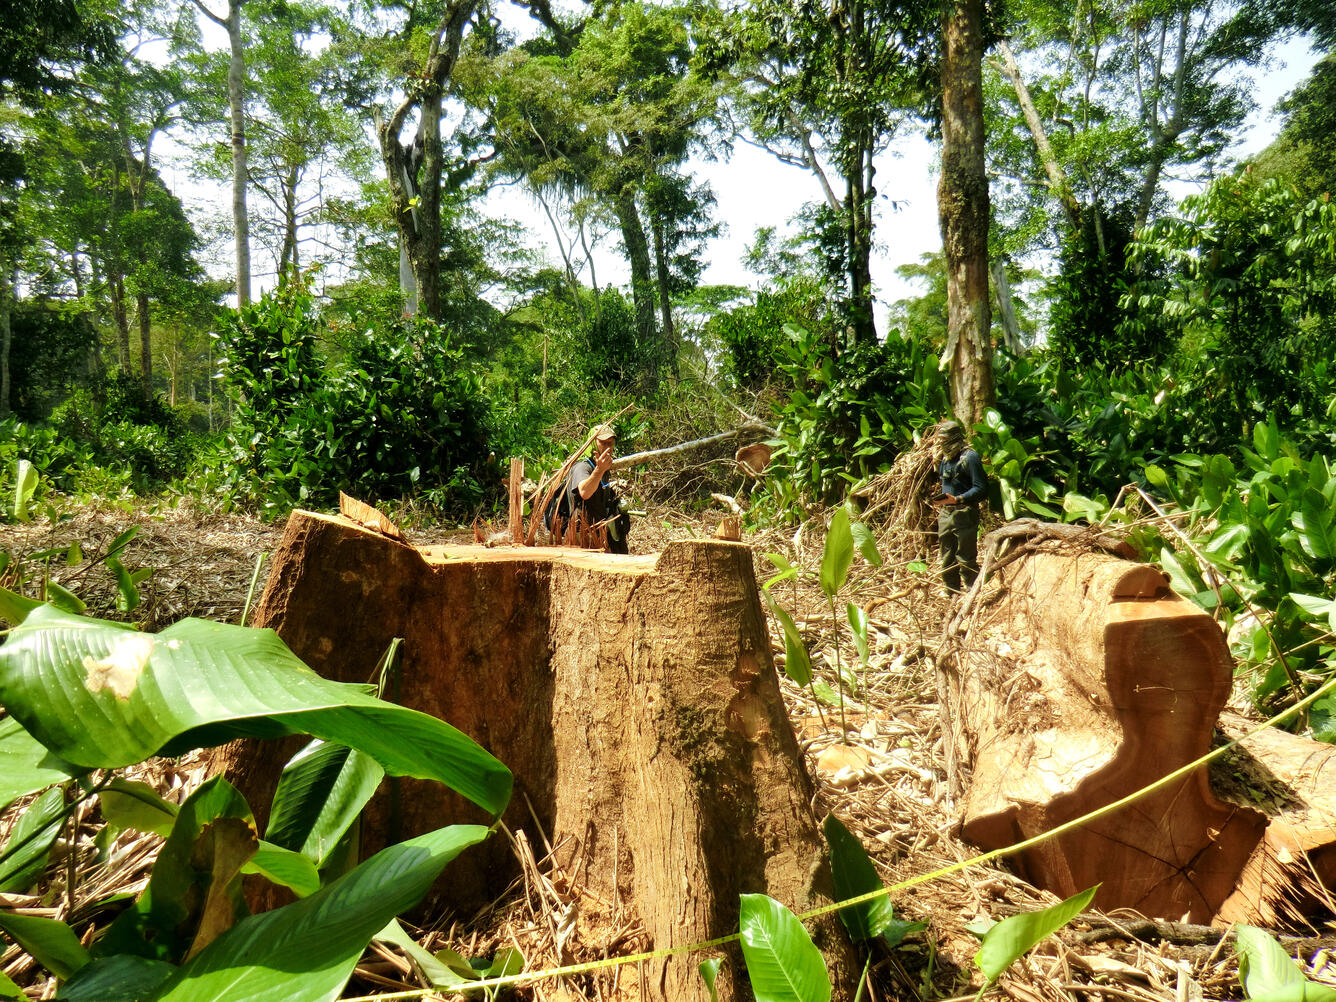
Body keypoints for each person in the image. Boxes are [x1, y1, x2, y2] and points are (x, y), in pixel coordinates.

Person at [931, 420, 987, 593]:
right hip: (946, 513)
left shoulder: (970, 457)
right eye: (940, 439)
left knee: (966, 557)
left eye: (944, 439)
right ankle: (951, 591)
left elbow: (981, 488)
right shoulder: (945, 458)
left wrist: (959, 499)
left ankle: (973, 592)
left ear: (954, 437)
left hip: (964, 513)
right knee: (947, 557)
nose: (941, 442)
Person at [558, 424, 631, 554]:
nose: (608, 448)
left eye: (610, 443)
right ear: (592, 443)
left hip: (598, 534)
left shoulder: (602, 466)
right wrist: (599, 470)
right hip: (583, 538)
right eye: (603, 443)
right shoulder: (583, 467)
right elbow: (584, 492)